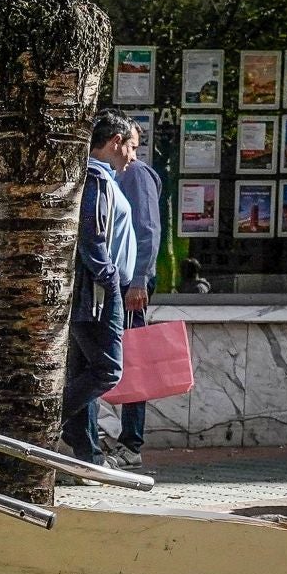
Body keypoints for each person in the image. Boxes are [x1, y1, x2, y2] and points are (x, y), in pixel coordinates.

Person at [62, 109, 138, 466]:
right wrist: (109, 278)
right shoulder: (96, 178)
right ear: (115, 142)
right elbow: (91, 236)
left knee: (83, 372)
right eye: (132, 147)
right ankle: (48, 417)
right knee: (108, 369)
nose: (133, 157)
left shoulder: (101, 177)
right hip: (98, 295)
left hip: (97, 291)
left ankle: (86, 454)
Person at [109, 146, 162, 467]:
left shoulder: (135, 174)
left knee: (134, 359)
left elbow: (148, 230)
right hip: (120, 281)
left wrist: (139, 280)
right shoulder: (116, 174)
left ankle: (131, 444)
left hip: (131, 285)